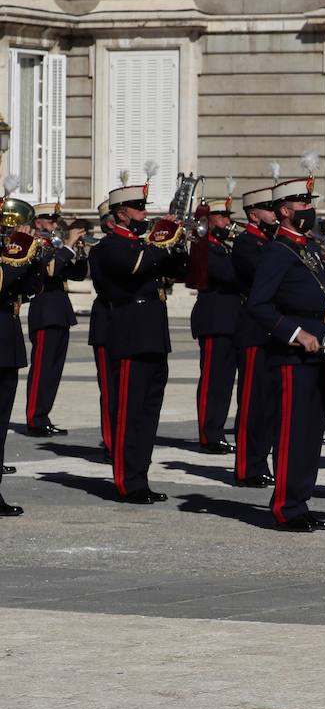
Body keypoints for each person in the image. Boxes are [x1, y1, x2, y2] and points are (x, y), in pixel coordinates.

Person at [245, 174, 325, 531]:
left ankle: (299, 502)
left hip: (318, 351)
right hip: (291, 357)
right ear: (285, 210)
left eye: (310, 203)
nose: (310, 209)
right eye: (303, 204)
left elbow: (320, 297)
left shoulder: (307, 249)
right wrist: (296, 333)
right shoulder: (277, 250)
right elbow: (259, 305)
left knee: (310, 433)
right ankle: (286, 507)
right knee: (292, 433)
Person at [90, 182, 187, 504]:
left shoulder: (142, 245)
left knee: (148, 414)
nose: (145, 214)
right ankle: (126, 482)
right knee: (129, 413)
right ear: (121, 213)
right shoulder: (108, 247)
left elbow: (179, 270)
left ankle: (140, 479)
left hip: (153, 336)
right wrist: (162, 237)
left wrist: (178, 242)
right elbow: (135, 268)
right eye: (140, 208)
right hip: (129, 334)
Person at [230, 184, 280, 488]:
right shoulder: (247, 244)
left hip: (273, 330)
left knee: (270, 403)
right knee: (252, 402)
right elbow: (264, 277)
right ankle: (248, 466)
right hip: (253, 330)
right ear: (253, 213)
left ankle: (262, 460)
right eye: (269, 209)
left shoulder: (272, 242)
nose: (274, 215)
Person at [0, 195, 46, 515]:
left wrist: (35, 257)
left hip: (7, 341)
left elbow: (29, 289)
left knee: (0, 424)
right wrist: (16, 254)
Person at [25, 202, 86, 437]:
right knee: (42, 369)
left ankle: (43, 415)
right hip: (44, 312)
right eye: (50, 220)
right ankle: (34, 418)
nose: (55, 225)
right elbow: (50, 270)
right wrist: (69, 246)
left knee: (53, 371)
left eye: (56, 221)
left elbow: (76, 274)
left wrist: (79, 253)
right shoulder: (34, 245)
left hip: (59, 313)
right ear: (38, 222)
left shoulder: (55, 245)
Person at [189, 189, 241, 454]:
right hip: (214, 320)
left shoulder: (223, 247)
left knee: (225, 382)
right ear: (208, 220)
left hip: (231, 321)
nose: (226, 222)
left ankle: (217, 431)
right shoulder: (205, 248)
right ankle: (209, 434)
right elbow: (231, 276)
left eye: (226, 217)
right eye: (221, 217)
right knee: (213, 382)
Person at [88, 200, 115, 460]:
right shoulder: (100, 251)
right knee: (109, 389)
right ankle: (111, 440)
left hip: (129, 328)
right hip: (107, 324)